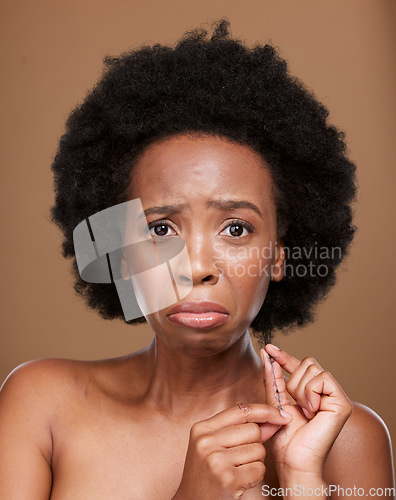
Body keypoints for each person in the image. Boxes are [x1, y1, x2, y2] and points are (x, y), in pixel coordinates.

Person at [0, 19, 394, 499]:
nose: (197, 266)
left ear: (279, 255)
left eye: (236, 228)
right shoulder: (40, 405)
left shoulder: (344, 438)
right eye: (160, 229)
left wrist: (301, 482)